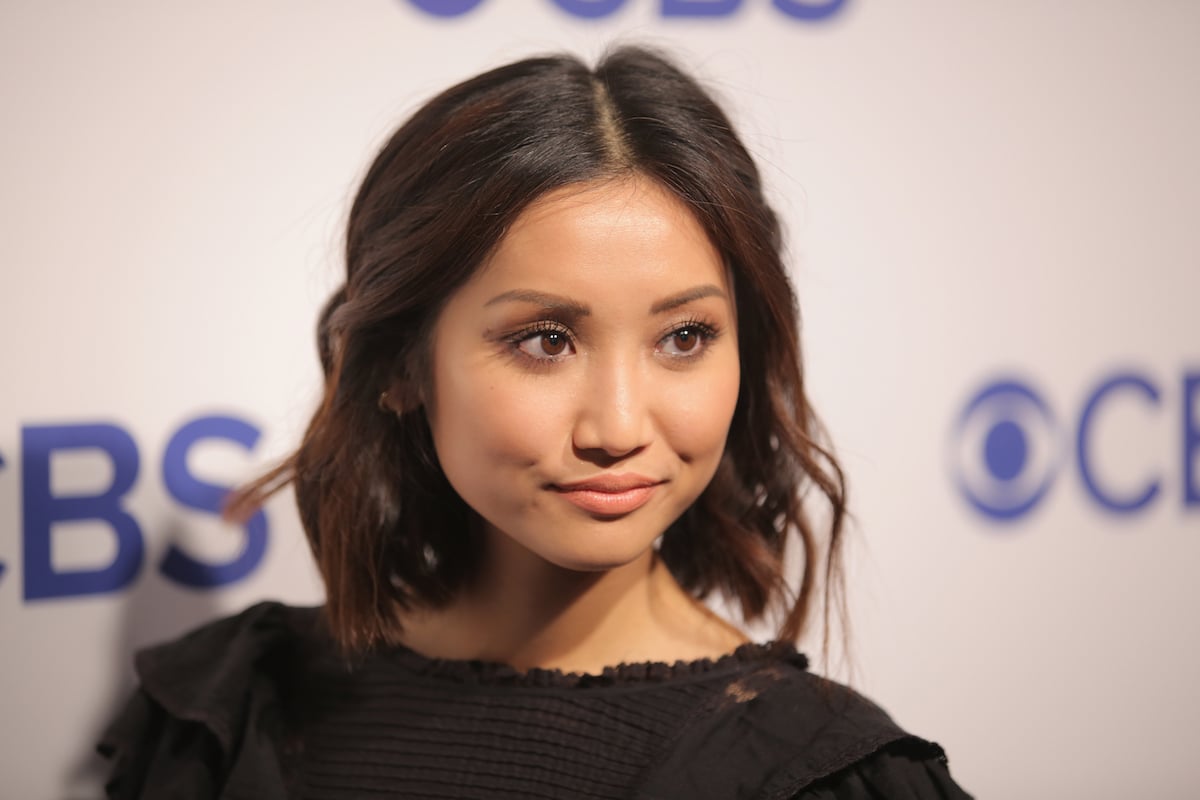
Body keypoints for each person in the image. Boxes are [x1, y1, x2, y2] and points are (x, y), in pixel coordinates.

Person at [98, 46, 972, 799]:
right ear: (403, 362)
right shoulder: (234, 715)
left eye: (685, 336)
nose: (619, 426)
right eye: (546, 340)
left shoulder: (821, 774)